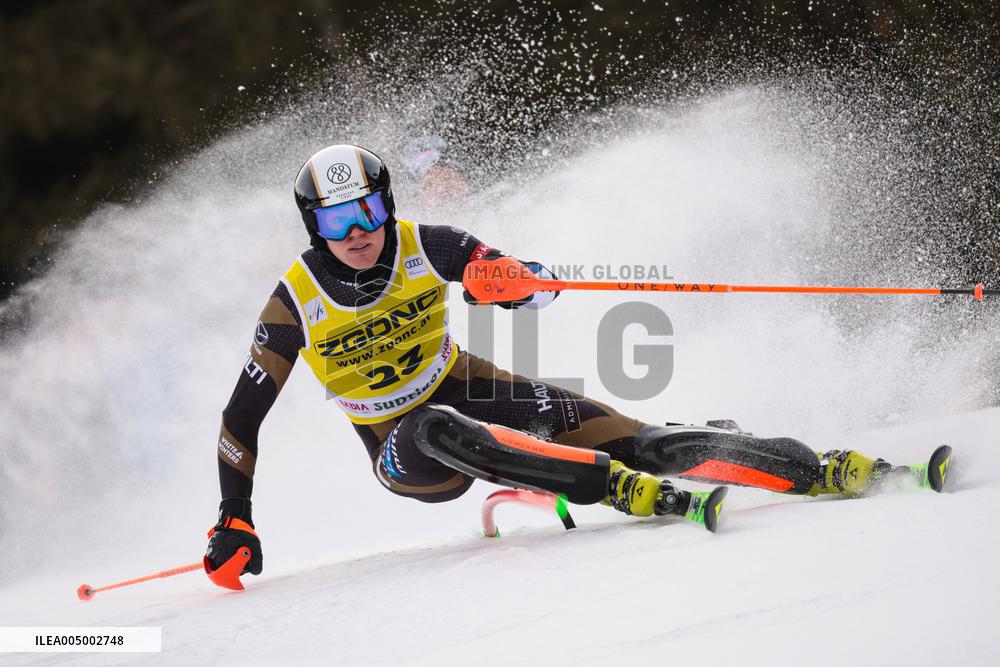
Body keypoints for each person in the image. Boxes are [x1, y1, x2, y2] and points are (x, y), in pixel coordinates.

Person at [205, 144, 901, 576]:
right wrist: (235, 514)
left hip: (472, 385)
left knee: (644, 439)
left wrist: (513, 282)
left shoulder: (429, 242)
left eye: (366, 212)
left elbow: (529, 285)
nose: (356, 233)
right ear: (313, 226)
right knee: (434, 426)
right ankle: (616, 487)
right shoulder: (295, 300)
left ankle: (823, 469)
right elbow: (241, 417)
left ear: (386, 206)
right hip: (402, 447)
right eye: (335, 221)